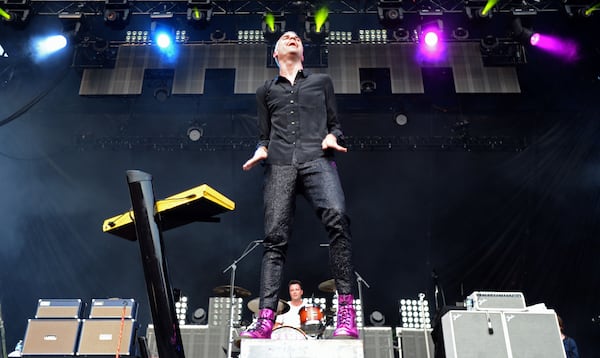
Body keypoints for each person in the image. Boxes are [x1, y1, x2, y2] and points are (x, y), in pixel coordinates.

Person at [239, 30, 358, 340]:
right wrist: (261, 149)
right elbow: (263, 136)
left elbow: (335, 125)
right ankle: (265, 319)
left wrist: (334, 137)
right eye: (285, 38)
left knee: (338, 222)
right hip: (279, 164)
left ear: (303, 54)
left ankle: (346, 313)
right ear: (275, 54)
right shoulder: (264, 91)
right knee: (274, 239)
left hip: (318, 158)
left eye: (297, 39)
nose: (291, 36)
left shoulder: (322, 82)